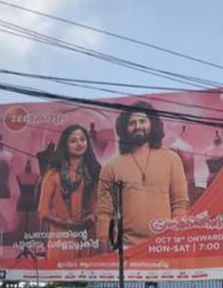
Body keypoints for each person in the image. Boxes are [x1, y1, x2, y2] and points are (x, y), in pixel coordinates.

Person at [96, 101, 190, 251]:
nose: (138, 126)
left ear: (152, 124)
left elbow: (179, 203)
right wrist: (103, 253)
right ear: (124, 129)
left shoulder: (172, 159)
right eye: (132, 123)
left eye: (142, 121)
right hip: (125, 250)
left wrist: (174, 241)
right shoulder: (111, 167)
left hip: (164, 247)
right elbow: (104, 212)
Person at [37, 124, 101, 261]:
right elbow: (43, 212)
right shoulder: (53, 175)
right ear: (65, 145)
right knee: (61, 280)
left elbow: (97, 204)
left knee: (87, 280)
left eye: (83, 139)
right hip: (61, 239)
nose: (79, 144)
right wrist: (68, 224)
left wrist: (91, 218)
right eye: (73, 141)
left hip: (87, 238)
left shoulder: (94, 172)